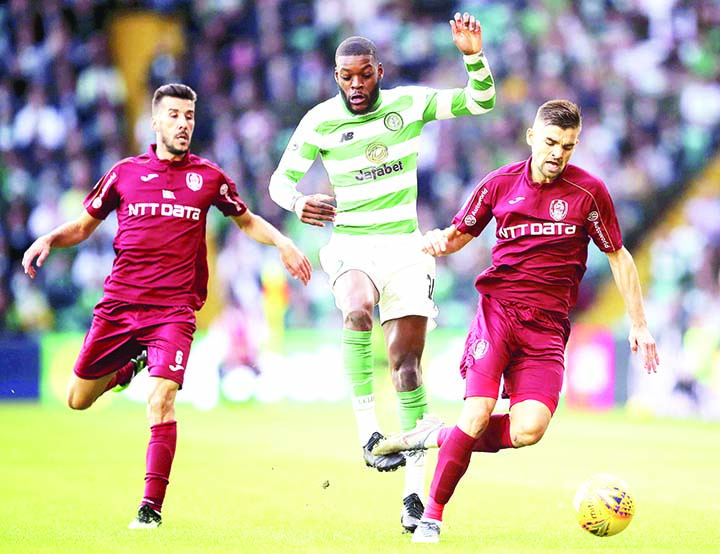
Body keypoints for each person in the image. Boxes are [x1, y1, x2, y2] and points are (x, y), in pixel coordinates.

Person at [22, 83, 312, 529]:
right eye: (174, 115)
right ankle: (129, 366)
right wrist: (47, 239)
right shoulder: (124, 173)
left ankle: (150, 508)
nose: (183, 124)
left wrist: (283, 242)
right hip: (119, 306)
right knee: (78, 399)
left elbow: (247, 219)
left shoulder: (209, 177)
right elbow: (82, 227)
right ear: (155, 122)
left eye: (190, 116)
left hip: (174, 311)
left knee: (162, 400)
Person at [372, 99, 660, 543]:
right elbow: (458, 235)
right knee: (478, 412)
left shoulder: (589, 193)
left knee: (530, 429)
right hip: (499, 314)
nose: (557, 153)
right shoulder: (499, 184)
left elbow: (619, 257)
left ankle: (433, 437)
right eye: (549, 142)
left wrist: (639, 325)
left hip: (548, 328)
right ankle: (431, 515)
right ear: (531, 137)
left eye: (567, 146)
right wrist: (436, 242)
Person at [268, 11, 495, 533]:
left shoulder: (409, 104)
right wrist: (299, 203)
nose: (355, 84)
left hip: (406, 250)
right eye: (346, 76)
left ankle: (413, 495)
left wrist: (472, 57)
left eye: (364, 74)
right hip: (352, 246)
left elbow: (481, 100)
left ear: (380, 71)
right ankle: (368, 431)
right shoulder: (320, 120)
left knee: (407, 369)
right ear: (335, 77)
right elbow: (281, 182)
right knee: (356, 308)